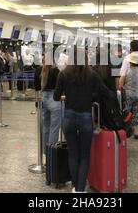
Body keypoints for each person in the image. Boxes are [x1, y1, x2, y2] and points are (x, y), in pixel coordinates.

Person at [53, 49, 102, 193]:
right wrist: (88, 97)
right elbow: (98, 95)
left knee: (73, 153)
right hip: (86, 116)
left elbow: (56, 96)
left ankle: (75, 186)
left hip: (69, 116)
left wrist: (66, 96)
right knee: (85, 155)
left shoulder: (63, 74)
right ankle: (81, 189)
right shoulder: (92, 75)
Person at [34, 55, 61, 153]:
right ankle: (52, 154)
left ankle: (45, 152)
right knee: (54, 128)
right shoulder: (56, 71)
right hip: (54, 99)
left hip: (43, 98)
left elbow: (36, 88)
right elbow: (60, 87)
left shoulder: (38, 71)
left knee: (45, 127)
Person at [119, 54, 138, 139]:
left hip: (129, 95)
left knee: (127, 112)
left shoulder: (127, 71)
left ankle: (126, 131)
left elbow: (121, 84)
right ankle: (136, 133)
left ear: (131, 63)